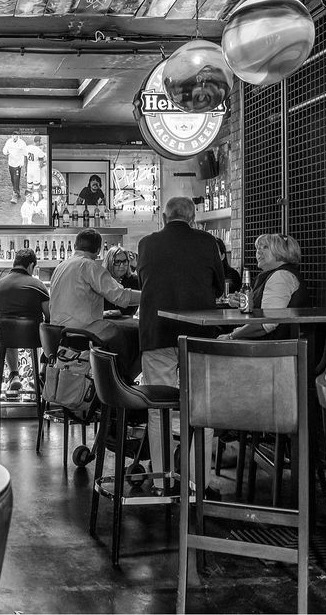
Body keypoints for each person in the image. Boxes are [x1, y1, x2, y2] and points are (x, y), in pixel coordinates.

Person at [137, 196, 224, 482]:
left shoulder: (146, 244)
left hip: (157, 332)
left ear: (164, 217)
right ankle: (197, 483)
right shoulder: (207, 242)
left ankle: (162, 479)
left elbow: (144, 283)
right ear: (192, 218)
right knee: (202, 407)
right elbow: (219, 287)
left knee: (158, 408)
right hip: (198, 333)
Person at [50, 229, 142, 377]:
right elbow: (120, 296)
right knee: (135, 337)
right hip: (82, 331)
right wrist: (149, 296)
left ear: (75, 246)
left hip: (59, 332)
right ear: (99, 250)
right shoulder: (89, 266)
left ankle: (114, 381)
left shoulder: (61, 266)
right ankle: (119, 383)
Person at [218, 234, 309, 341]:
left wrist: (231, 336)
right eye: (257, 248)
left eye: (265, 247)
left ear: (281, 251)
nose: (258, 252)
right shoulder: (275, 274)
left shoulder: (281, 276)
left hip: (275, 350)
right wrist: (246, 303)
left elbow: (265, 325)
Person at [0, 248, 50, 394]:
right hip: (33, 339)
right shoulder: (38, 285)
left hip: (5, 339)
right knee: (51, 330)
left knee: (6, 328)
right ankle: (42, 374)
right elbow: (50, 315)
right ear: (31, 265)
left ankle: (14, 375)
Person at [102, 245, 139, 316]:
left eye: (125, 261)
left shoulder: (134, 280)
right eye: (117, 262)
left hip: (126, 323)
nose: (122, 266)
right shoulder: (102, 280)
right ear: (110, 262)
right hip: (102, 322)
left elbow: (131, 310)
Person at [2, 134, 29, 203]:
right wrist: (6, 152)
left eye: (15, 136)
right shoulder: (9, 142)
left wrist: (22, 163)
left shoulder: (22, 143)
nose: (14, 137)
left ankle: (14, 196)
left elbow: (25, 154)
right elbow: (4, 150)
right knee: (13, 180)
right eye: (13, 136)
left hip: (18, 164)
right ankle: (17, 191)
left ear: (18, 136)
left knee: (16, 179)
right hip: (11, 163)